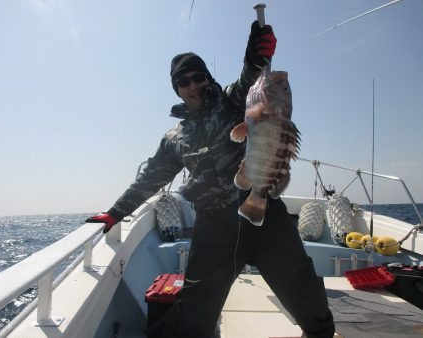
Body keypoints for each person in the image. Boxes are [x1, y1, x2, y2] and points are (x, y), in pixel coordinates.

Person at [86, 21, 335, 338]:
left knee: (305, 294)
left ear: (208, 78)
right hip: (214, 226)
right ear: (177, 88)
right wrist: (115, 213)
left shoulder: (234, 101)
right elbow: (150, 178)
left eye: (198, 76)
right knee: (195, 313)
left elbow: (251, 78)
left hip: (266, 215)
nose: (193, 84)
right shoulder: (175, 138)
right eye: (184, 81)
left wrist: (255, 54)